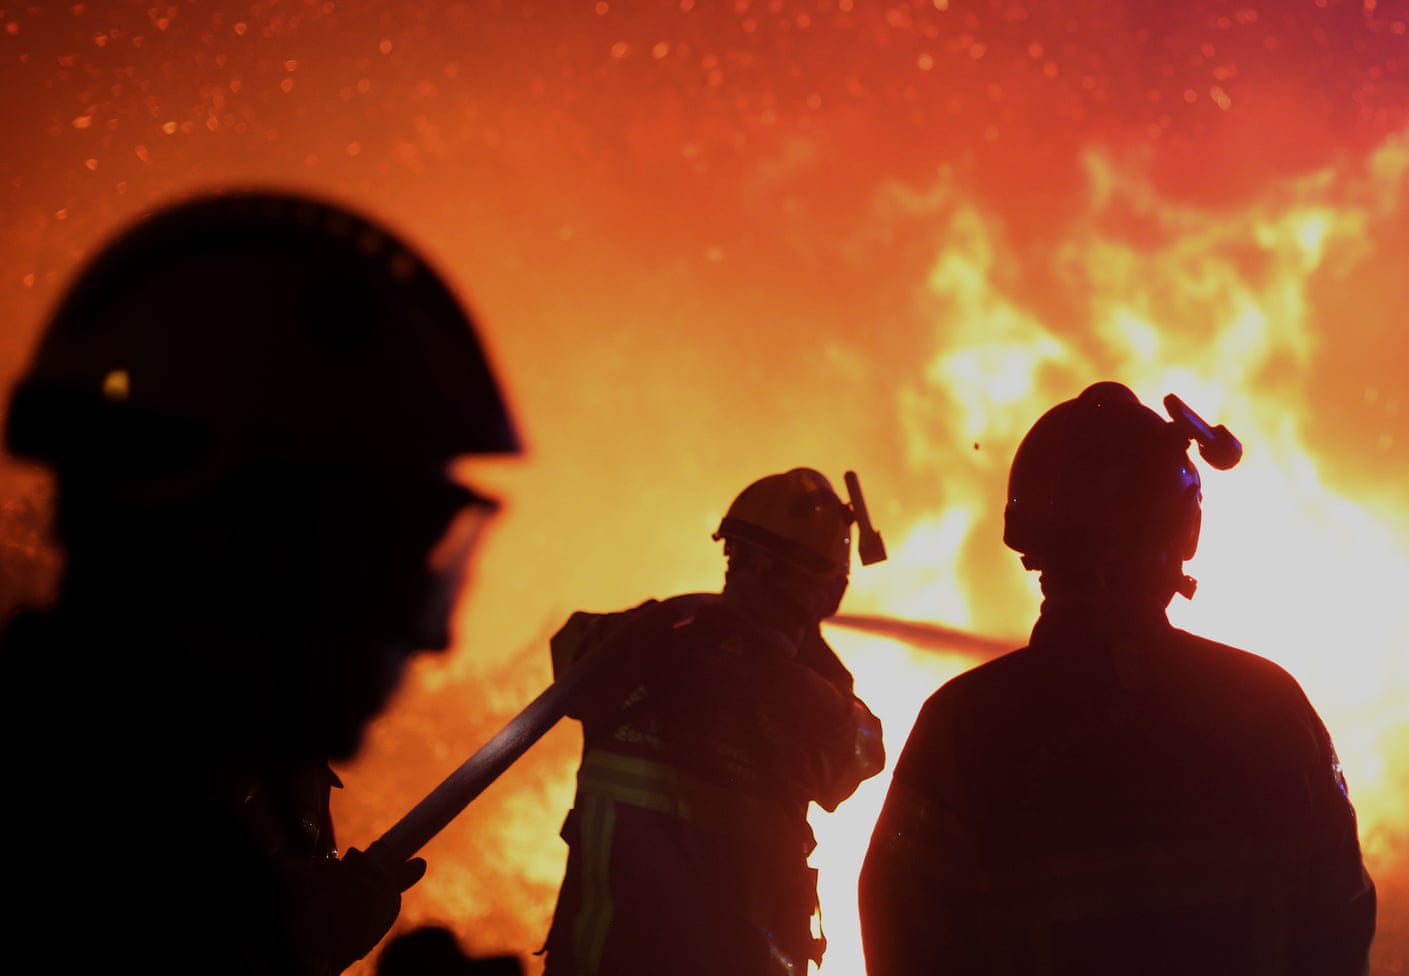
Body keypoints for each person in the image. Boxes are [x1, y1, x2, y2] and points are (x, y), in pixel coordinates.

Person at [0, 190, 524, 975]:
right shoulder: (64, 825)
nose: (430, 633)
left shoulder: (179, 802)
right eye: (380, 557)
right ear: (245, 544)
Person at [860, 382, 1376, 975]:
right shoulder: (1267, 705)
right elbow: (1338, 914)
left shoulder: (963, 723)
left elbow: (903, 927)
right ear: (1184, 529)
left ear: (1027, 537)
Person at [541, 468, 887, 976]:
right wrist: (661, 649)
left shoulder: (818, 687)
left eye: (761, 565)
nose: (743, 576)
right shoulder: (660, 635)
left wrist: (788, 687)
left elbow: (860, 756)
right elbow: (571, 652)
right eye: (740, 560)